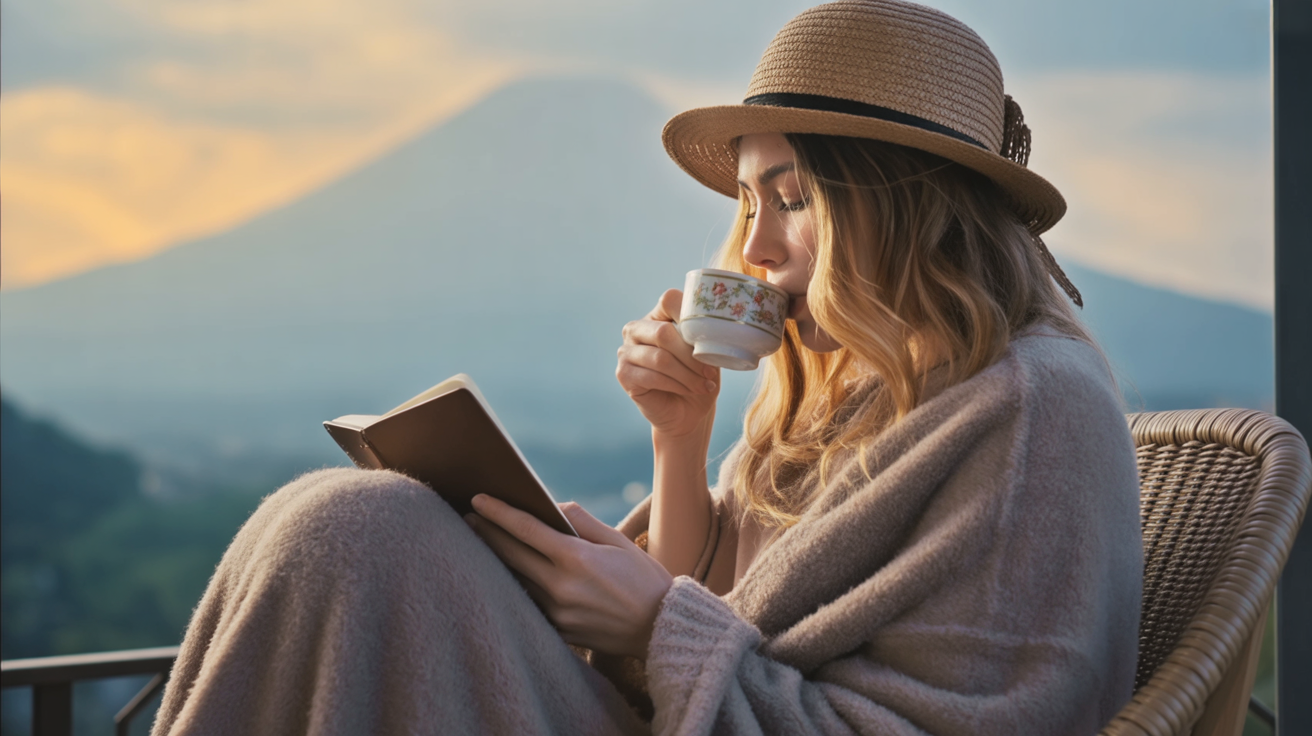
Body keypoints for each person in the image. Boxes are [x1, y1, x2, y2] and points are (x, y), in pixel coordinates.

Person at [150, 1, 1142, 734]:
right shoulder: (860, 389)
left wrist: (655, 626)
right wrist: (679, 438)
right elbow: (702, 619)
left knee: (355, 529)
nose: (751, 250)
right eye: (748, 204)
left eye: (791, 199)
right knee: (353, 518)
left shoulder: (1033, 408)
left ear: (901, 204)